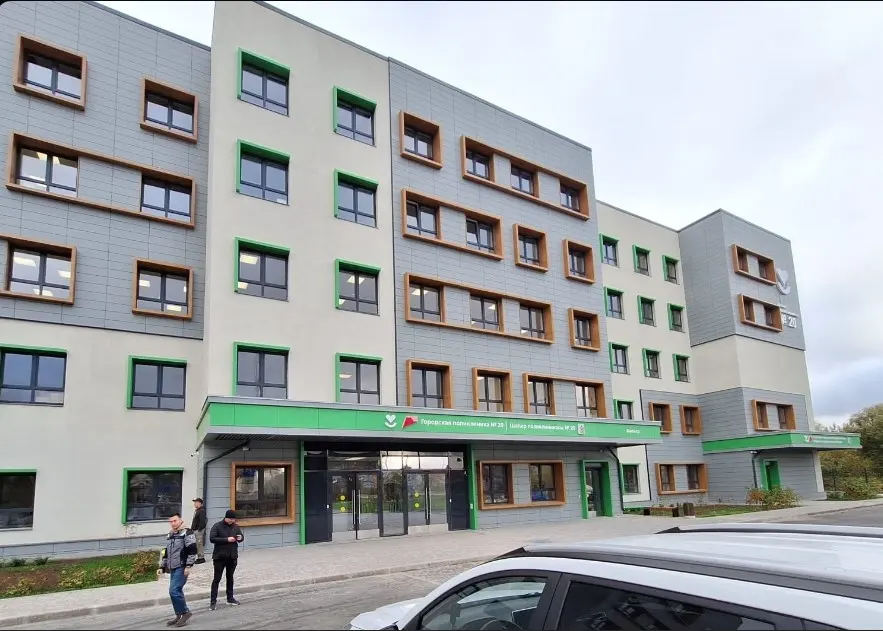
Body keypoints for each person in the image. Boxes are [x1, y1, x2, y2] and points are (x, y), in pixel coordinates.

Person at [159, 513, 197, 627]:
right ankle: (179, 614)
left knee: (174, 591)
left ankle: (185, 612)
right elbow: (166, 551)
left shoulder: (187, 533)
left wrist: (188, 565)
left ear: (180, 520)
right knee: (175, 591)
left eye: (175, 521)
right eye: (170, 521)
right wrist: (162, 566)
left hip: (182, 566)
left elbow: (192, 550)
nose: (172, 523)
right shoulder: (171, 534)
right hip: (173, 567)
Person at [208, 509, 245, 610]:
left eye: (234, 519)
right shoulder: (217, 526)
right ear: (226, 518)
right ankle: (213, 601)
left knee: (230, 578)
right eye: (231, 519)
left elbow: (241, 537)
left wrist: (240, 538)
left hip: (232, 556)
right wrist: (227, 539)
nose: (233, 521)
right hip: (220, 557)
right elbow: (212, 538)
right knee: (217, 579)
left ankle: (230, 598)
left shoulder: (236, 526)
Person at [190, 498, 207, 564]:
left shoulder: (202, 511)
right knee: (197, 544)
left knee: (199, 544)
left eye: (196, 502)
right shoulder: (197, 510)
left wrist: (199, 529)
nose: (194, 504)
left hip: (198, 530)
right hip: (195, 530)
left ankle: (201, 558)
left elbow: (202, 521)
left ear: (200, 503)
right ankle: (199, 557)